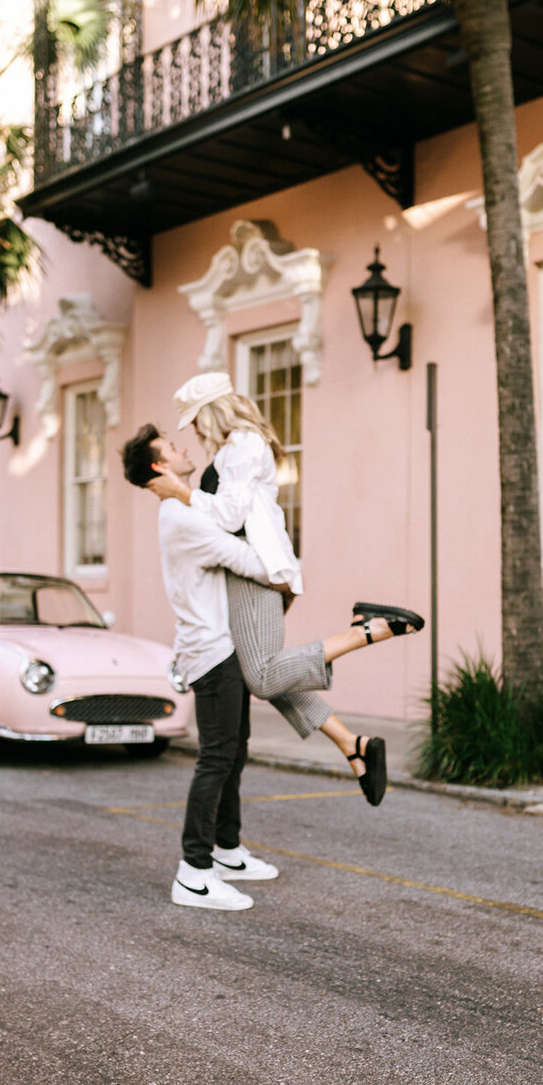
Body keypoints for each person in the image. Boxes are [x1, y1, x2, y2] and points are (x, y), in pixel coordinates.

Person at [147, 372, 424, 805]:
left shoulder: (243, 444)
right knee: (267, 676)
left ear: (212, 412)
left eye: (195, 421)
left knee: (261, 676)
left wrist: (182, 492)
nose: (195, 432)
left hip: (253, 572)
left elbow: (228, 515)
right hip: (245, 575)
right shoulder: (230, 450)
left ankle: (366, 630)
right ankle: (354, 746)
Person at [122, 424, 281, 912]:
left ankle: (227, 851)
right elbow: (248, 559)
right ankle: (193, 873)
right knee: (216, 757)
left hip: (223, 645)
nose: (183, 447)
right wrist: (282, 564)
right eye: (173, 447)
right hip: (211, 652)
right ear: (159, 466)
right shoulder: (180, 516)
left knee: (235, 751)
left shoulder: (185, 508)